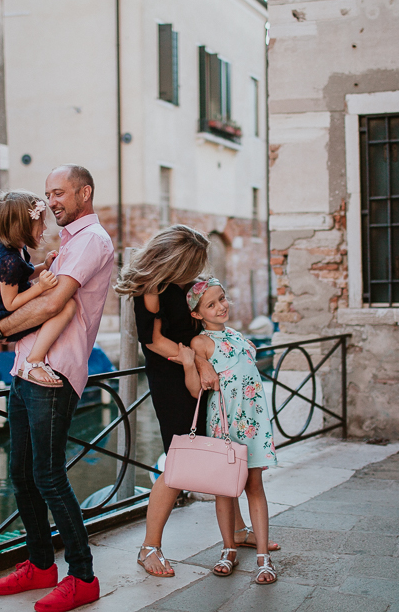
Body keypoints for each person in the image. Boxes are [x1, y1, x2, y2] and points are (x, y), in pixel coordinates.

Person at [114, 226, 278, 579]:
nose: (197, 270)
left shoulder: (182, 283)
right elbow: (155, 341)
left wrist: (206, 359)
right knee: (179, 461)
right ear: (176, 260)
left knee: (225, 450)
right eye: (194, 263)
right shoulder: (151, 290)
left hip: (203, 366)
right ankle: (149, 547)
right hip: (173, 377)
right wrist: (199, 362)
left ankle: (235, 532)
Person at [0, 165, 113, 612]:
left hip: (54, 373)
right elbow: (39, 297)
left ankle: (82, 576)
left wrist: (0, 327)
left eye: (59, 192)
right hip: (25, 370)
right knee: (21, 473)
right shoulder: (69, 241)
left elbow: (55, 302)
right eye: (47, 194)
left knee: (49, 476)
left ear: (85, 192)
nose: (52, 201)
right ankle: (41, 566)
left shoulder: (93, 240)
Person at [182, 277, 278, 585]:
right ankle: (228, 548)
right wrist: (192, 362)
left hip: (252, 423)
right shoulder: (201, 343)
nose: (221, 306)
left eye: (222, 299)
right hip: (223, 424)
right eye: (211, 304)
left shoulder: (238, 336)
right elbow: (196, 389)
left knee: (255, 486)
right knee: (224, 490)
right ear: (197, 314)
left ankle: (263, 556)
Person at [0, 190, 76, 387]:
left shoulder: (17, 249)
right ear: (22, 228)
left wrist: (44, 267)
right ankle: (33, 361)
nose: (44, 228)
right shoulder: (8, 260)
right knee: (67, 306)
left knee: (59, 296)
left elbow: (20, 277)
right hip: (2, 313)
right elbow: (11, 303)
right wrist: (40, 287)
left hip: (8, 303)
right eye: (40, 224)